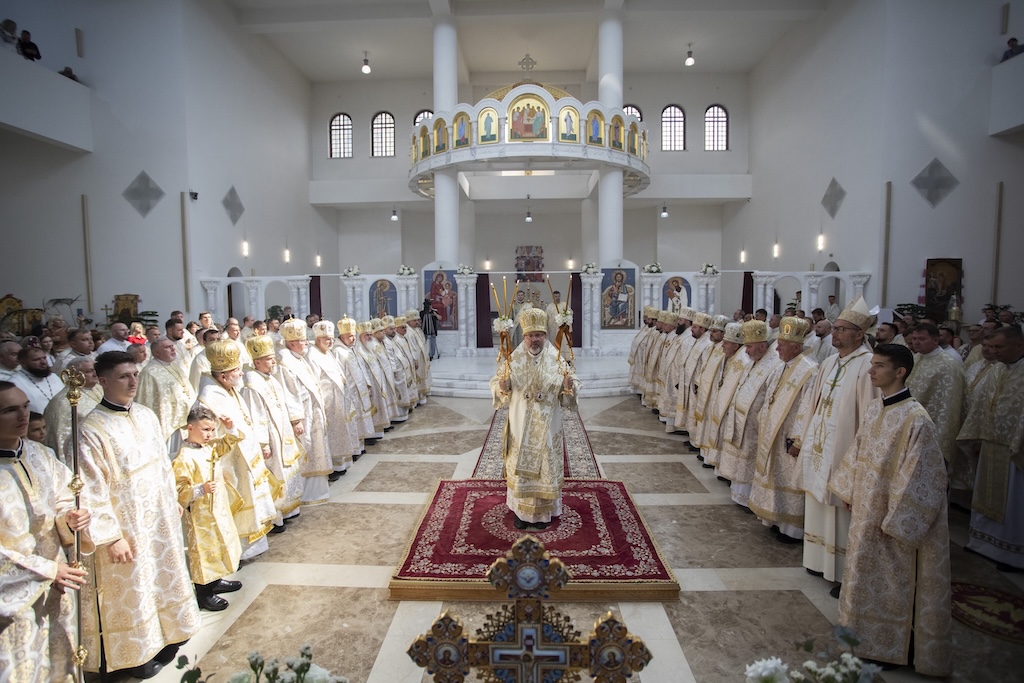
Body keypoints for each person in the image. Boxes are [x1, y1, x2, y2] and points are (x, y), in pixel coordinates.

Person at [829, 344, 952, 676]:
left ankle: (890, 646)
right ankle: (861, 639)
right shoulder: (874, 408)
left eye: (879, 366)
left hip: (891, 520)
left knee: (891, 581)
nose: (872, 371)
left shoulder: (916, 420)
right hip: (865, 512)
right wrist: (849, 487)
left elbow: (922, 477)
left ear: (900, 372)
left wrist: (896, 520)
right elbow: (858, 451)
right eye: (872, 364)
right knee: (861, 577)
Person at [77, 351, 200, 678]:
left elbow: (162, 463)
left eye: (135, 374)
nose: (133, 381)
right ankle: (133, 655)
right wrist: (111, 536)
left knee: (161, 576)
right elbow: (91, 489)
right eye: (123, 376)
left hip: (157, 518)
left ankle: (169, 636)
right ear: (103, 381)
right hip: (126, 526)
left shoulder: (145, 414)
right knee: (134, 587)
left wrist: (172, 497)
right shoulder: (91, 429)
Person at [0, 382, 93, 682]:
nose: (23, 415)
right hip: (18, 590)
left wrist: (71, 516)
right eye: (10, 410)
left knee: (59, 658)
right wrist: (45, 570)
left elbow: (65, 493)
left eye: (25, 406)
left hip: (57, 577)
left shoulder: (38, 453)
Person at [796, 296, 879, 594]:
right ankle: (817, 559)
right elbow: (814, 404)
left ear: (859, 334)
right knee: (818, 501)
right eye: (836, 329)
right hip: (820, 445)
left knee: (840, 509)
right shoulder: (830, 362)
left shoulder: (868, 365)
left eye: (842, 329)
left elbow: (870, 414)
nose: (836, 333)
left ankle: (843, 573)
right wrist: (802, 437)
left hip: (844, 450)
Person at [490, 308, 579, 530]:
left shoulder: (556, 358)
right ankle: (521, 512)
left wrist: (569, 387)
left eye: (538, 334)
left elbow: (571, 385)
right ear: (524, 336)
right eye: (530, 335)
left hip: (548, 426)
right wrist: (502, 387)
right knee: (522, 467)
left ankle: (544, 513)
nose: (534, 339)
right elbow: (496, 383)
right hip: (520, 424)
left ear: (545, 335)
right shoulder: (513, 359)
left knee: (545, 465)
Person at [197, 340, 280, 552]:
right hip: (230, 462)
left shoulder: (228, 389)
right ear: (224, 376)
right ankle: (240, 551)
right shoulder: (210, 398)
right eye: (237, 371)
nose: (242, 374)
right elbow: (209, 437)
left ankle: (253, 545)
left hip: (245, 458)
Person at [749, 317, 818, 543]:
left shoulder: (810, 372)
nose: (776, 347)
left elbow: (809, 408)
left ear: (796, 346)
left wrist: (798, 439)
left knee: (788, 477)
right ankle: (775, 518)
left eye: (781, 344)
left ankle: (791, 528)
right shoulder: (782, 366)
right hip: (773, 431)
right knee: (774, 475)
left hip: (789, 436)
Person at [960, 326, 1024, 571]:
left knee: (1014, 499)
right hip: (989, 443)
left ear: (1019, 346)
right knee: (985, 492)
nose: (993, 352)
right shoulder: (997, 369)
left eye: (999, 347)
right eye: (992, 347)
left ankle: (1012, 553)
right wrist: (974, 436)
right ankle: (982, 543)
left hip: (1014, 449)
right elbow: (981, 403)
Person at [172, 405, 244, 612]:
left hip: (217, 509)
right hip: (199, 515)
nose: (209, 435)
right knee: (203, 553)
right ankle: (204, 592)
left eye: (212, 430)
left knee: (219, 545)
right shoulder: (184, 457)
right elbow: (178, 489)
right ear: (190, 428)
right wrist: (200, 489)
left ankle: (216, 580)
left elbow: (224, 446)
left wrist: (229, 429)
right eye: (205, 430)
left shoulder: (208, 447)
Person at [717, 320, 783, 508]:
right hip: (741, 419)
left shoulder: (774, 365)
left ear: (762, 346)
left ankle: (748, 498)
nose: (746, 351)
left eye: (749, 346)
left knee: (750, 462)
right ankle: (739, 494)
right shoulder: (753, 361)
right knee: (740, 463)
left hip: (755, 424)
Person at [242, 334, 305, 522]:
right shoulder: (252, 385)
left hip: (282, 433)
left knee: (287, 470)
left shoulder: (270, 378)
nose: (274, 362)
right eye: (269, 359)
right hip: (270, 438)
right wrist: (263, 444)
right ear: (257, 362)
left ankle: (289, 508)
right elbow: (256, 417)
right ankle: (277, 515)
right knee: (275, 474)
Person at [276, 319, 333, 506]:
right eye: (302, 340)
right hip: (303, 416)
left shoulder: (298, 358)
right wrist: (296, 420)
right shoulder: (285, 362)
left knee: (316, 448)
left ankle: (317, 491)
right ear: (291, 343)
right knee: (307, 450)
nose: (306, 343)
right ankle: (306, 493)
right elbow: (289, 393)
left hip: (312, 411)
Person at [906, 322, 964, 467]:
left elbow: (950, 404)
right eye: (914, 339)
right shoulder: (916, 358)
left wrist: (942, 436)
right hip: (910, 423)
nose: (916, 342)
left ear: (936, 340)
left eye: (922, 339)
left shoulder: (949, 364)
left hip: (932, 428)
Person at [307, 320, 358, 477]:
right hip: (327, 402)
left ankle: (341, 464)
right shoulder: (312, 355)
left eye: (331, 338)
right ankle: (332, 468)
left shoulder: (328, 352)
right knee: (330, 435)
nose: (330, 342)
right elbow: (314, 381)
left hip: (338, 400)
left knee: (340, 433)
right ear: (317, 339)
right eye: (326, 339)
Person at [136, 336, 197, 444]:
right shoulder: (149, 373)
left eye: (172, 346)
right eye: (167, 347)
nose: (173, 349)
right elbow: (146, 402)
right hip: (170, 427)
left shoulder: (174, 366)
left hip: (187, 422)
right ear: (157, 352)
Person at [44, 356, 103, 466]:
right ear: (74, 375)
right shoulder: (63, 402)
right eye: (89, 371)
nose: (95, 374)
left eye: (95, 369)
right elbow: (61, 438)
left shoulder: (99, 388)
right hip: (83, 455)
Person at [12, 346, 64, 413]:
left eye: (44, 358)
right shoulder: (15, 383)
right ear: (23, 362)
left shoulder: (53, 377)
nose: (43, 362)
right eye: (36, 359)